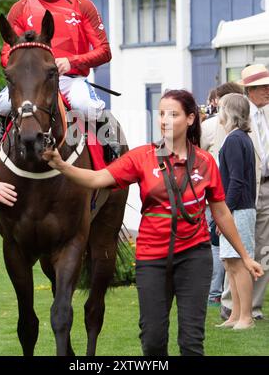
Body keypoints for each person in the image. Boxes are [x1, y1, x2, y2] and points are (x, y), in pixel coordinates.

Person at [42, 89, 263, 356]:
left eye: (173, 114)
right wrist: (62, 165)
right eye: (161, 114)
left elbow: (222, 213)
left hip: (195, 257)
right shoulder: (142, 157)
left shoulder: (205, 162)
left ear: (191, 119)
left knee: (192, 342)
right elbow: (98, 179)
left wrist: (245, 256)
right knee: (153, 341)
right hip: (152, 259)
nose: (165, 120)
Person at [0, 0, 119, 162]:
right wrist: (26, 65)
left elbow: (105, 51)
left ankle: (109, 143)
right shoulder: (20, 8)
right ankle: (2, 133)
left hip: (70, 80)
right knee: (3, 103)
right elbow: (6, 53)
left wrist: (71, 62)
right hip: (31, 81)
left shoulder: (83, 6)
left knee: (86, 105)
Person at [221, 64, 269, 321]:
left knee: (263, 248)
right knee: (236, 252)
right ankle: (232, 307)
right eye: (263, 86)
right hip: (243, 193)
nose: (268, 90)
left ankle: (252, 308)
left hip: (262, 189)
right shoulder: (237, 115)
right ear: (250, 90)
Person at [201, 82, 243, 307]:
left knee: (219, 244)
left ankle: (218, 293)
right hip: (223, 193)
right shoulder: (216, 126)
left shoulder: (211, 126)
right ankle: (219, 293)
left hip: (218, 192)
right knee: (225, 245)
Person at [216, 93, 256, 330]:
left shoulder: (234, 140)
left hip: (238, 210)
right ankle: (235, 315)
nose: (217, 112)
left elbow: (237, 181)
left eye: (220, 108)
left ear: (229, 112)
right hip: (237, 209)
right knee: (230, 262)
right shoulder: (238, 138)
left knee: (239, 264)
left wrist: (225, 212)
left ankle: (246, 317)